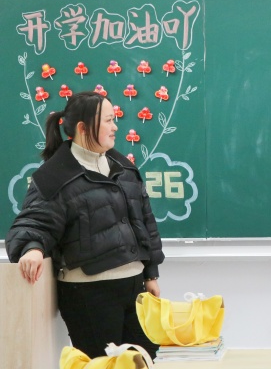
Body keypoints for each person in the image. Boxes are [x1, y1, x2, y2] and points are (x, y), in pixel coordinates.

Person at [5, 91, 165, 359]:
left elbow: (145, 221)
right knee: (101, 364)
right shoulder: (55, 175)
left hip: (135, 288)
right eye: (108, 120)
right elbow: (33, 221)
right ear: (83, 128)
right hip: (90, 295)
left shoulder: (123, 167)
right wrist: (32, 248)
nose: (115, 127)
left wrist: (150, 274)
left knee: (145, 360)